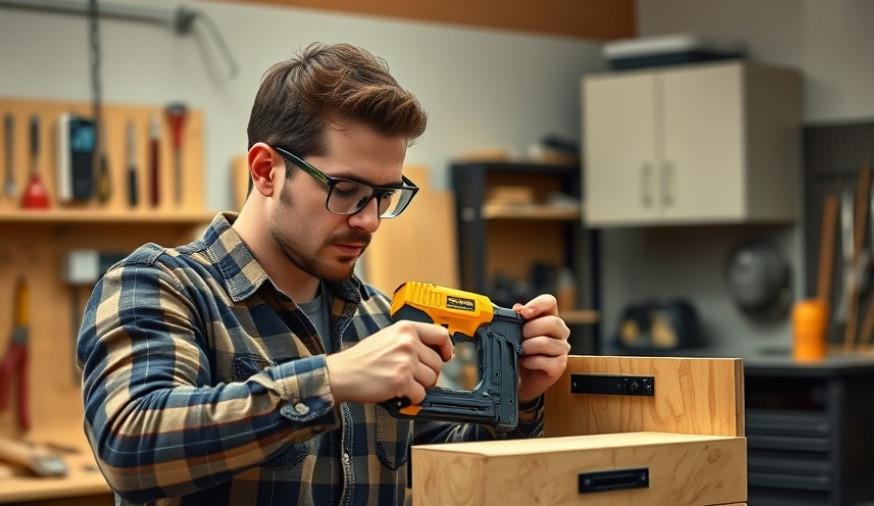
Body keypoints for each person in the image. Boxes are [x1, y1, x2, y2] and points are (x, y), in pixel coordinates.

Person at [77, 42, 570, 505]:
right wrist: (331, 379)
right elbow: (129, 444)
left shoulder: (381, 318)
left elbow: (437, 467)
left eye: (384, 196)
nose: (370, 220)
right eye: (346, 189)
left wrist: (519, 398)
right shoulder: (158, 286)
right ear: (266, 170)